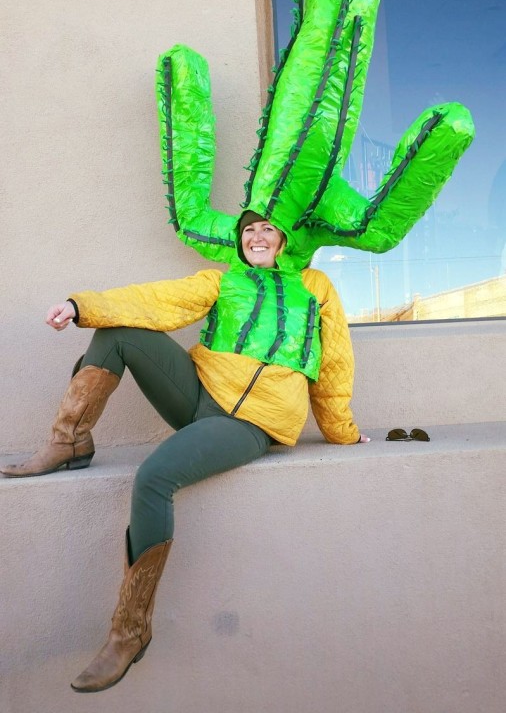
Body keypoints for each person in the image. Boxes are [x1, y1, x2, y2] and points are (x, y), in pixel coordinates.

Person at [1, 210, 368, 693]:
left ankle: (129, 631)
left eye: (267, 229)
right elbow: (157, 301)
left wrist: (340, 430)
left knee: (154, 478)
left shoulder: (314, 286)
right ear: (240, 241)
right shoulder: (222, 281)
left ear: (284, 239)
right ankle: (68, 441)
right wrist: (79, 305)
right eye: (248, 230)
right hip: (197, 394)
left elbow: (336, 360)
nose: (256, 236)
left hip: (249, 422)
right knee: (118, 331)